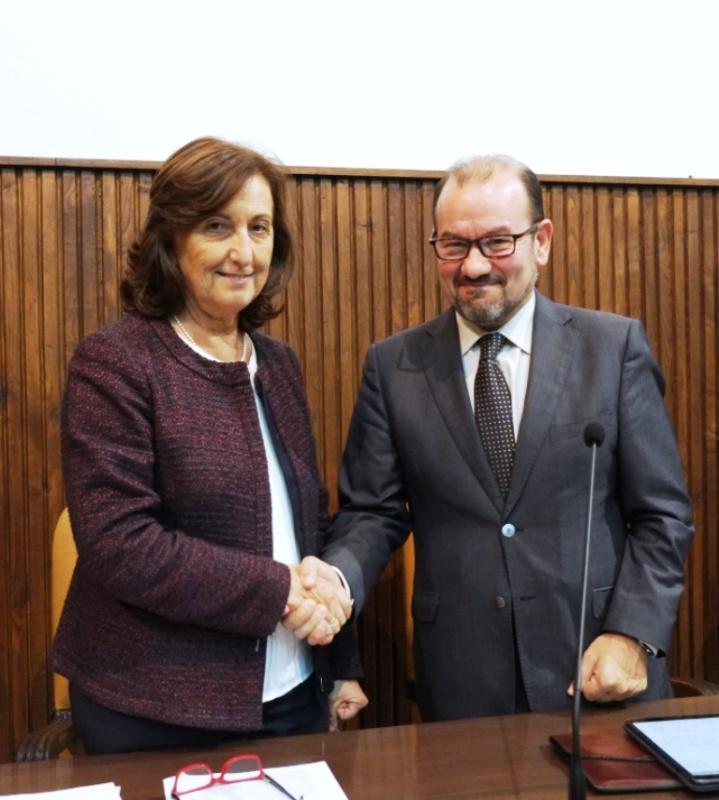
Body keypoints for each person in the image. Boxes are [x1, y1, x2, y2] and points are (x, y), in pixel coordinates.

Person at [304, 154, 694, 721]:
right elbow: (372, 512)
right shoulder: (394, 367)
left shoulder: (613, 350)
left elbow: (662, 515)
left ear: (542, 241)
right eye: (454, 245)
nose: (474, 266)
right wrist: (337, 581)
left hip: (598, 668)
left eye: (496, 242)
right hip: (462, 683)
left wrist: (634, 634)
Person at [53, 136, 367, 754]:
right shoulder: (116, 362)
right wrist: (278, 590)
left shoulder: (278, 364)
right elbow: (120, 543)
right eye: (217, 226)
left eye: (259, 227)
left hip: (291, 697)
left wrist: (340, 658)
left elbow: (306, 522)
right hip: (154, 708)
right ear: (172, 239)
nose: (242, 252)